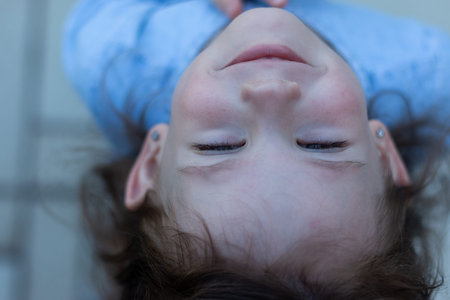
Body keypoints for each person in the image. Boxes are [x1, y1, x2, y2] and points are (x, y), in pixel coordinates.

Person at [64, 0, 450, 299]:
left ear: (151, 161)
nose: (271, 90)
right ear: (385, 156)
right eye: (322, 144)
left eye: (219, 146)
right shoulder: (429, 74)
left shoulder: (111, 56)